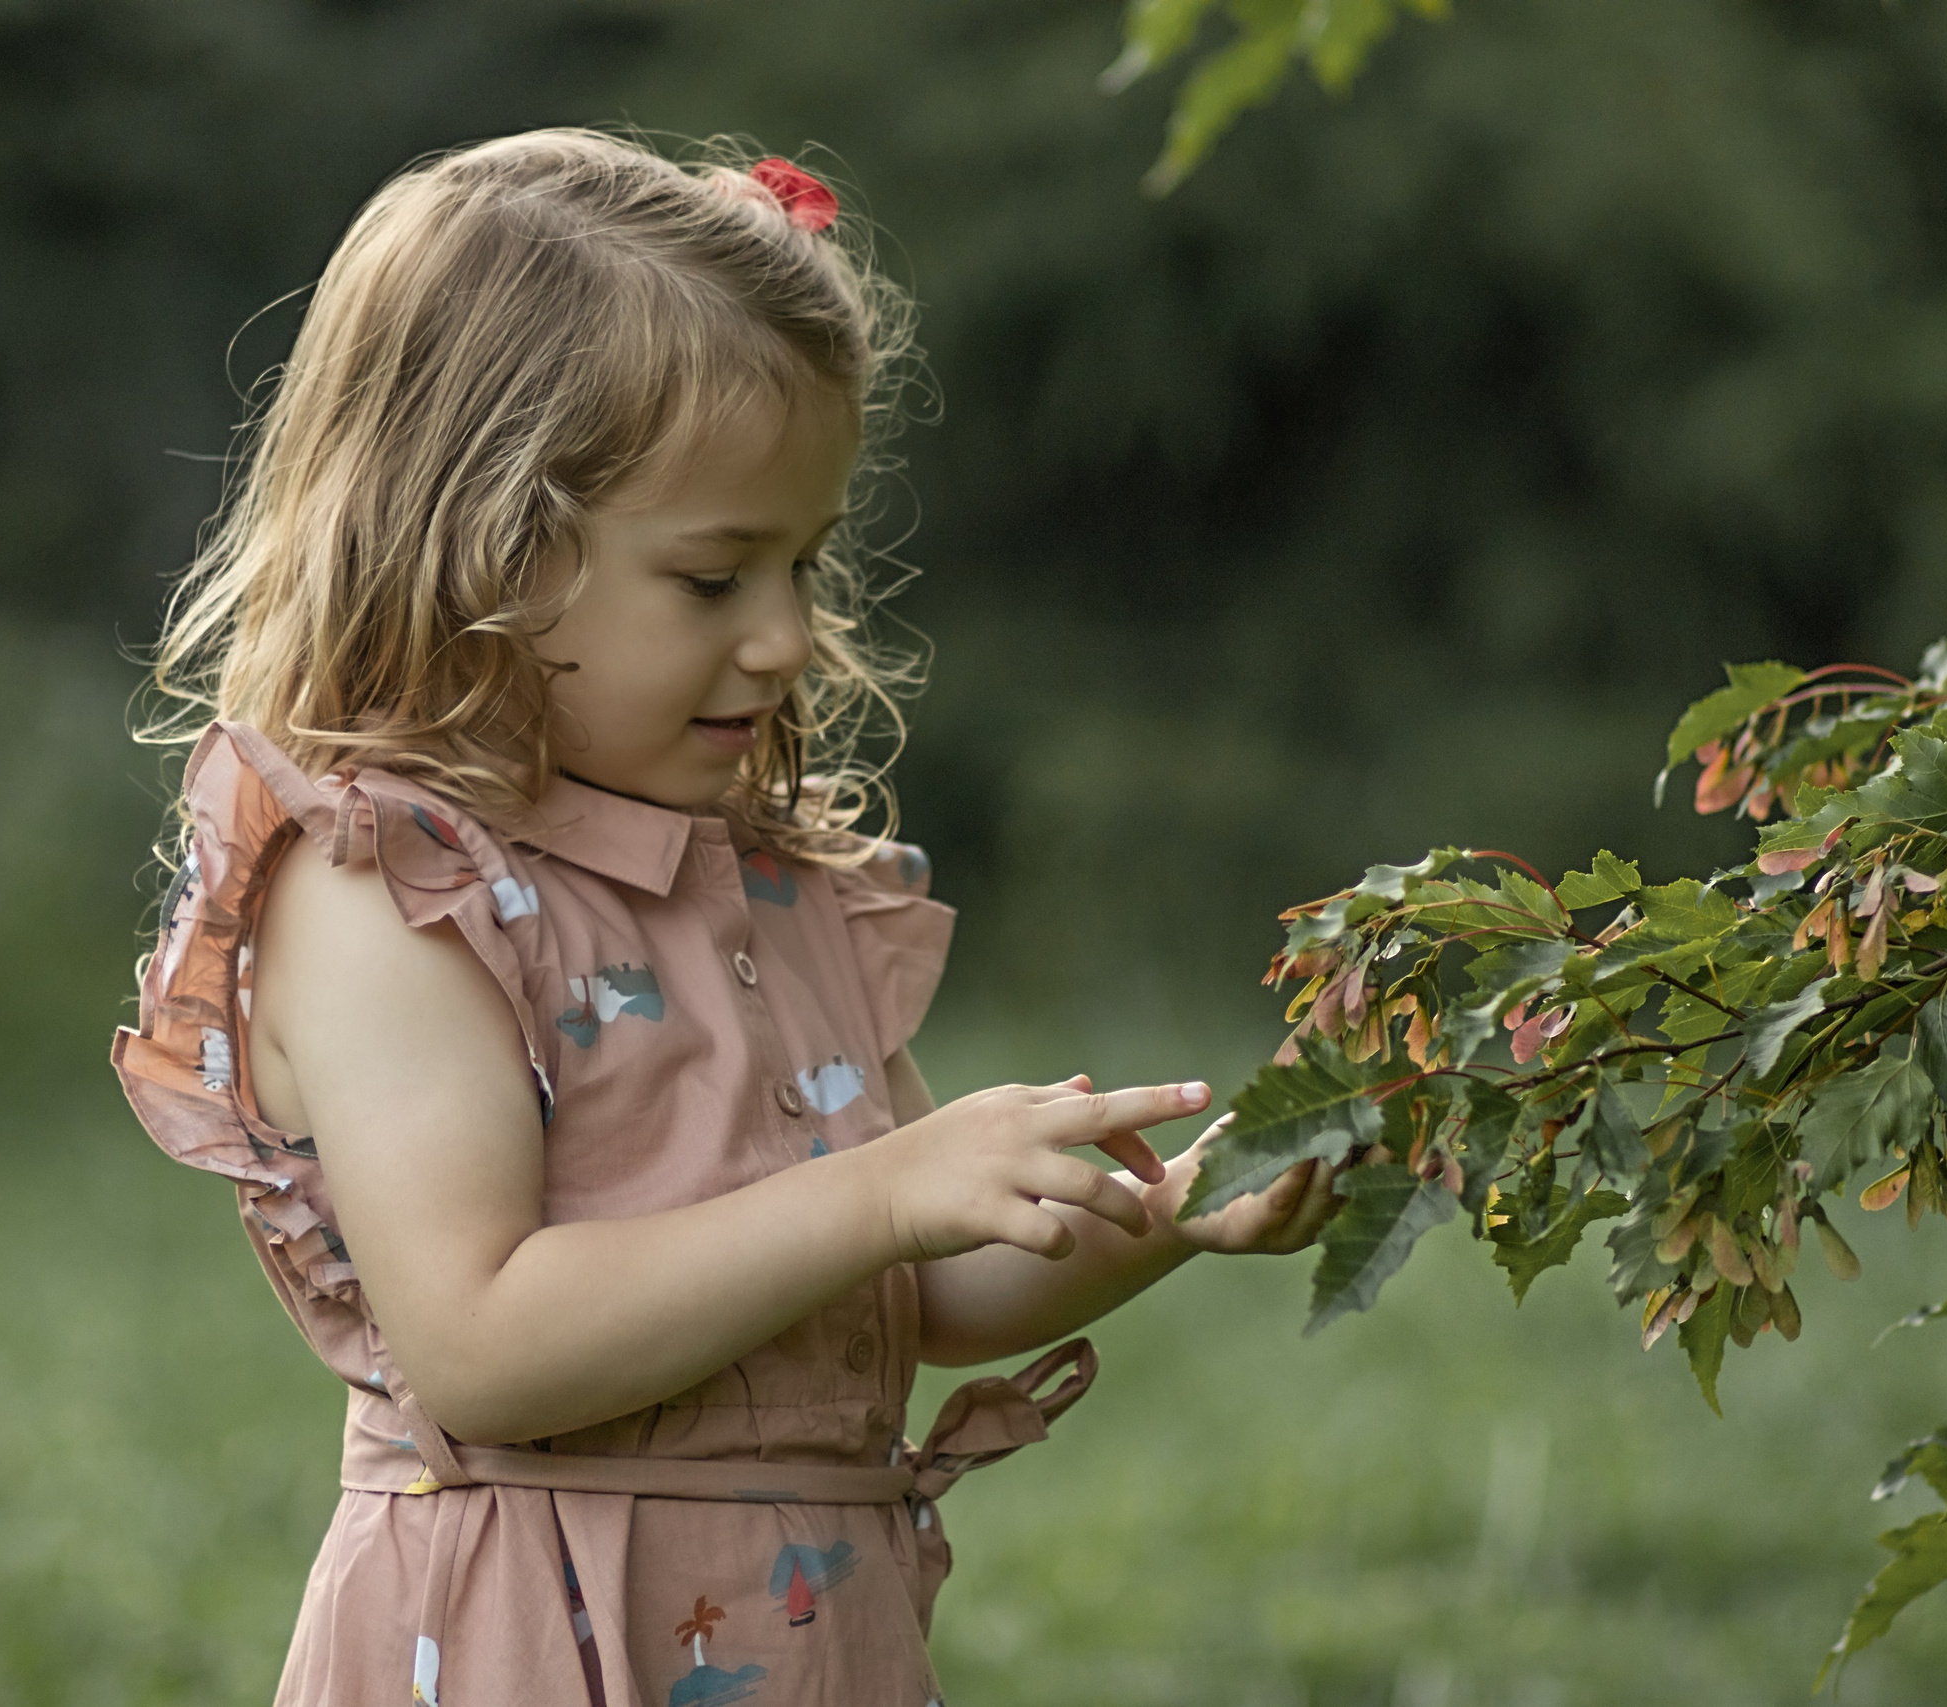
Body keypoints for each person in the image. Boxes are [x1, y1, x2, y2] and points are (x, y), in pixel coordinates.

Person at [114, 129, 1341, 1707]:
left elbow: (928, 1295)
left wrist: (1180, 1211)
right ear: (479, 545)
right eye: (713, 579)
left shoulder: (766, 888)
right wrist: (889, 1188)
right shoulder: (390, 893)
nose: (784, 640)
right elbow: (483, 1338)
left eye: (805, 564)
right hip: (532, 1650)